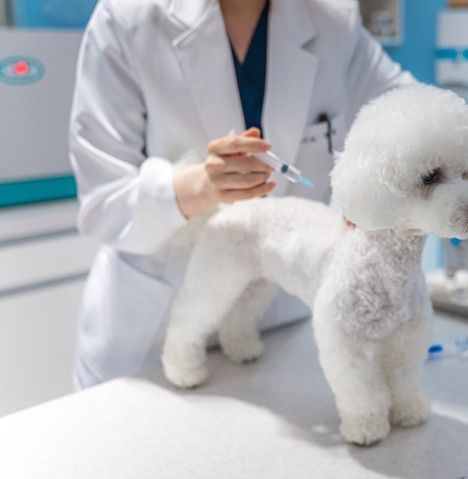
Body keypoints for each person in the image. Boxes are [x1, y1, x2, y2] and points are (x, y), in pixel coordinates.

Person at [70, 0, 414, 388]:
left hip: (277, 329)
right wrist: (197, 187)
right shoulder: (128, 17)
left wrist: (376, 184)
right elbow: (103, 204)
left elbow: (417, 117)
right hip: (150, 335)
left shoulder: (334, 20)